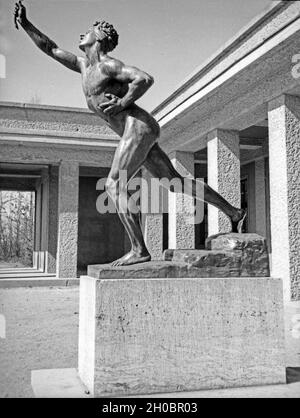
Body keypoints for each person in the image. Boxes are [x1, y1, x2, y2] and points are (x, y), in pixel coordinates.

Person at [14, 1, 246, 266]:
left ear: (99, 38)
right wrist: (26, 24)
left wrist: (122, 104)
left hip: (138, 126)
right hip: (136, 130)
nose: (81, 34)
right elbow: (51, 48)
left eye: (87, 31)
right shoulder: (83, 66)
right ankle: (234, 211)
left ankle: (139, 250)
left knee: (113, 184)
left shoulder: (108, 66)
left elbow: (144, 78)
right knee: (174, 182)